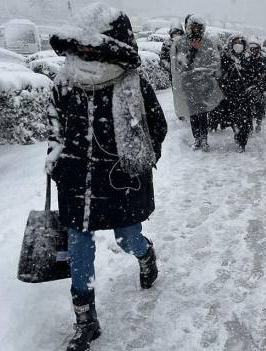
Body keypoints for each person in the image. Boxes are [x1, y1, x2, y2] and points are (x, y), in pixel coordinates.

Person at [46, 3, 167, 351]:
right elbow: (54, 131)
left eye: (92, 48)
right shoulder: (64, 84)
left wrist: (139, 160)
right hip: (76, 183)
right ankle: (86, 321)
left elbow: (156, 128)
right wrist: (56, 163)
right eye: (80, 48)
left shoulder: (132, 85)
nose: (85, 54)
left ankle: (145, 255)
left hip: (120, 181)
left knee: (128, 237)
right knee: (79, 249)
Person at [171, 14, 224, 151]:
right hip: (188, 84)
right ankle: (197, 138)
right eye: (193, 27)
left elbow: (215, 61)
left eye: (198, 27)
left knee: (202, 112)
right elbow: (180, 63)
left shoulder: (208, 43)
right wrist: (192, 51)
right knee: (193, 112)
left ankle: (204, 139)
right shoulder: (181, 43)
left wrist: (204, 71)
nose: (196, 30)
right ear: (189, 27)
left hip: (204, 84)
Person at [218, 34, 252, 152]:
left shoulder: (248, 58)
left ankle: (242, 141)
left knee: (245, 120)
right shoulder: (225, 57)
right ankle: (237, 133)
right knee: (233, 118)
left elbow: (252, 75)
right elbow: (220, 74)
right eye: (235, 43)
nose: (238, 45)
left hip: (245, 95)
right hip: (230, 94)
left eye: (240, 43)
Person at [244, 40, 266, 133]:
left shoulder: (264, 59)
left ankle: (259, 123)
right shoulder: (246, 59)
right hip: (250, 86)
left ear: (258, 49)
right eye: (252, 49)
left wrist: (265, 75)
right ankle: (249, 126)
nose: (253, 51)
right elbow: (244, 73)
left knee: (261, 105)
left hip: (261, 86)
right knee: (247, 106)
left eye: (255, 49)